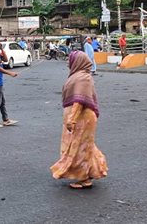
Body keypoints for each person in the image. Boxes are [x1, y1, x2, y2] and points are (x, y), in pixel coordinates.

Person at [50, 51, 108, 189]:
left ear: (78, 62)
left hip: (82, 117)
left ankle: (84, 179)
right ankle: (92, 171)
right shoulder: (77, 76)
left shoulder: (83, 78)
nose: (67, 62)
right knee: (85, 146)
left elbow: (79, 101)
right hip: (78, 117)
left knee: (80, 147)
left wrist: (72, 119)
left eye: (70, 59)